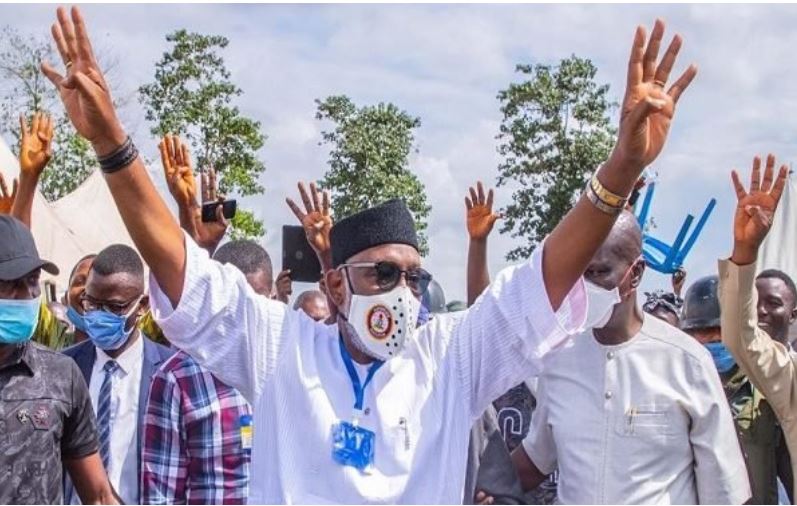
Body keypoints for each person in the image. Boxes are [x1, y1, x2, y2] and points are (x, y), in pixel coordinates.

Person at [44, 7, 696, 502]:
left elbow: (544, 278)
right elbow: (176, 264)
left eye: (412, 278)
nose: (401, 293)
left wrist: (620, 167)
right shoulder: (279, 349)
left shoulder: (450, 357)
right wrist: (110, 143)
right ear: (334, 283)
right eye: (382, 273)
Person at [511, 210, 750, 504]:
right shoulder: (559, 359)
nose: (586, 288)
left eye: (598, 273)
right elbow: (537, 458)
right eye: (579, 274)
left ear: (635, 273)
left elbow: (724, 491)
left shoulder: (687, 363)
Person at [0, 215, 117, 504]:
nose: (26, 295)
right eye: (10, 284)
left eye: (31, 282)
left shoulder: (60, 375)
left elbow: (99, 496)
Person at [62, 244, 173, 504]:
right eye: (92, 304)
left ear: (142, 305)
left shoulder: (168, 374)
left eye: (114, 307)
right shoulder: (64, 369)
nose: (100, 316)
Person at [719, 154, 797, 502]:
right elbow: (741, 337)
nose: (765, 311)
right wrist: (745, 251)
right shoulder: (790, 376)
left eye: (775, 304)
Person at [682, 271, 791, 504]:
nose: (712, 340)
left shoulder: (767, 391)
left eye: (719, 332)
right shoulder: (678, 391)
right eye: (701, 333)